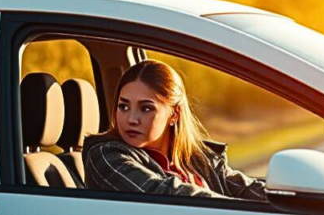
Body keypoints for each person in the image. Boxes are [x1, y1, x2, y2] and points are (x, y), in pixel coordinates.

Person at [83, 59, 266, 201]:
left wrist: (289, 199)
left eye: (146, 108)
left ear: (174, 114)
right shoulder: (106, 156)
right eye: (124, 107)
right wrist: (241, 212)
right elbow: (166, 194)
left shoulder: (198, 159)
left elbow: (245, 189)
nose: (131, 119)